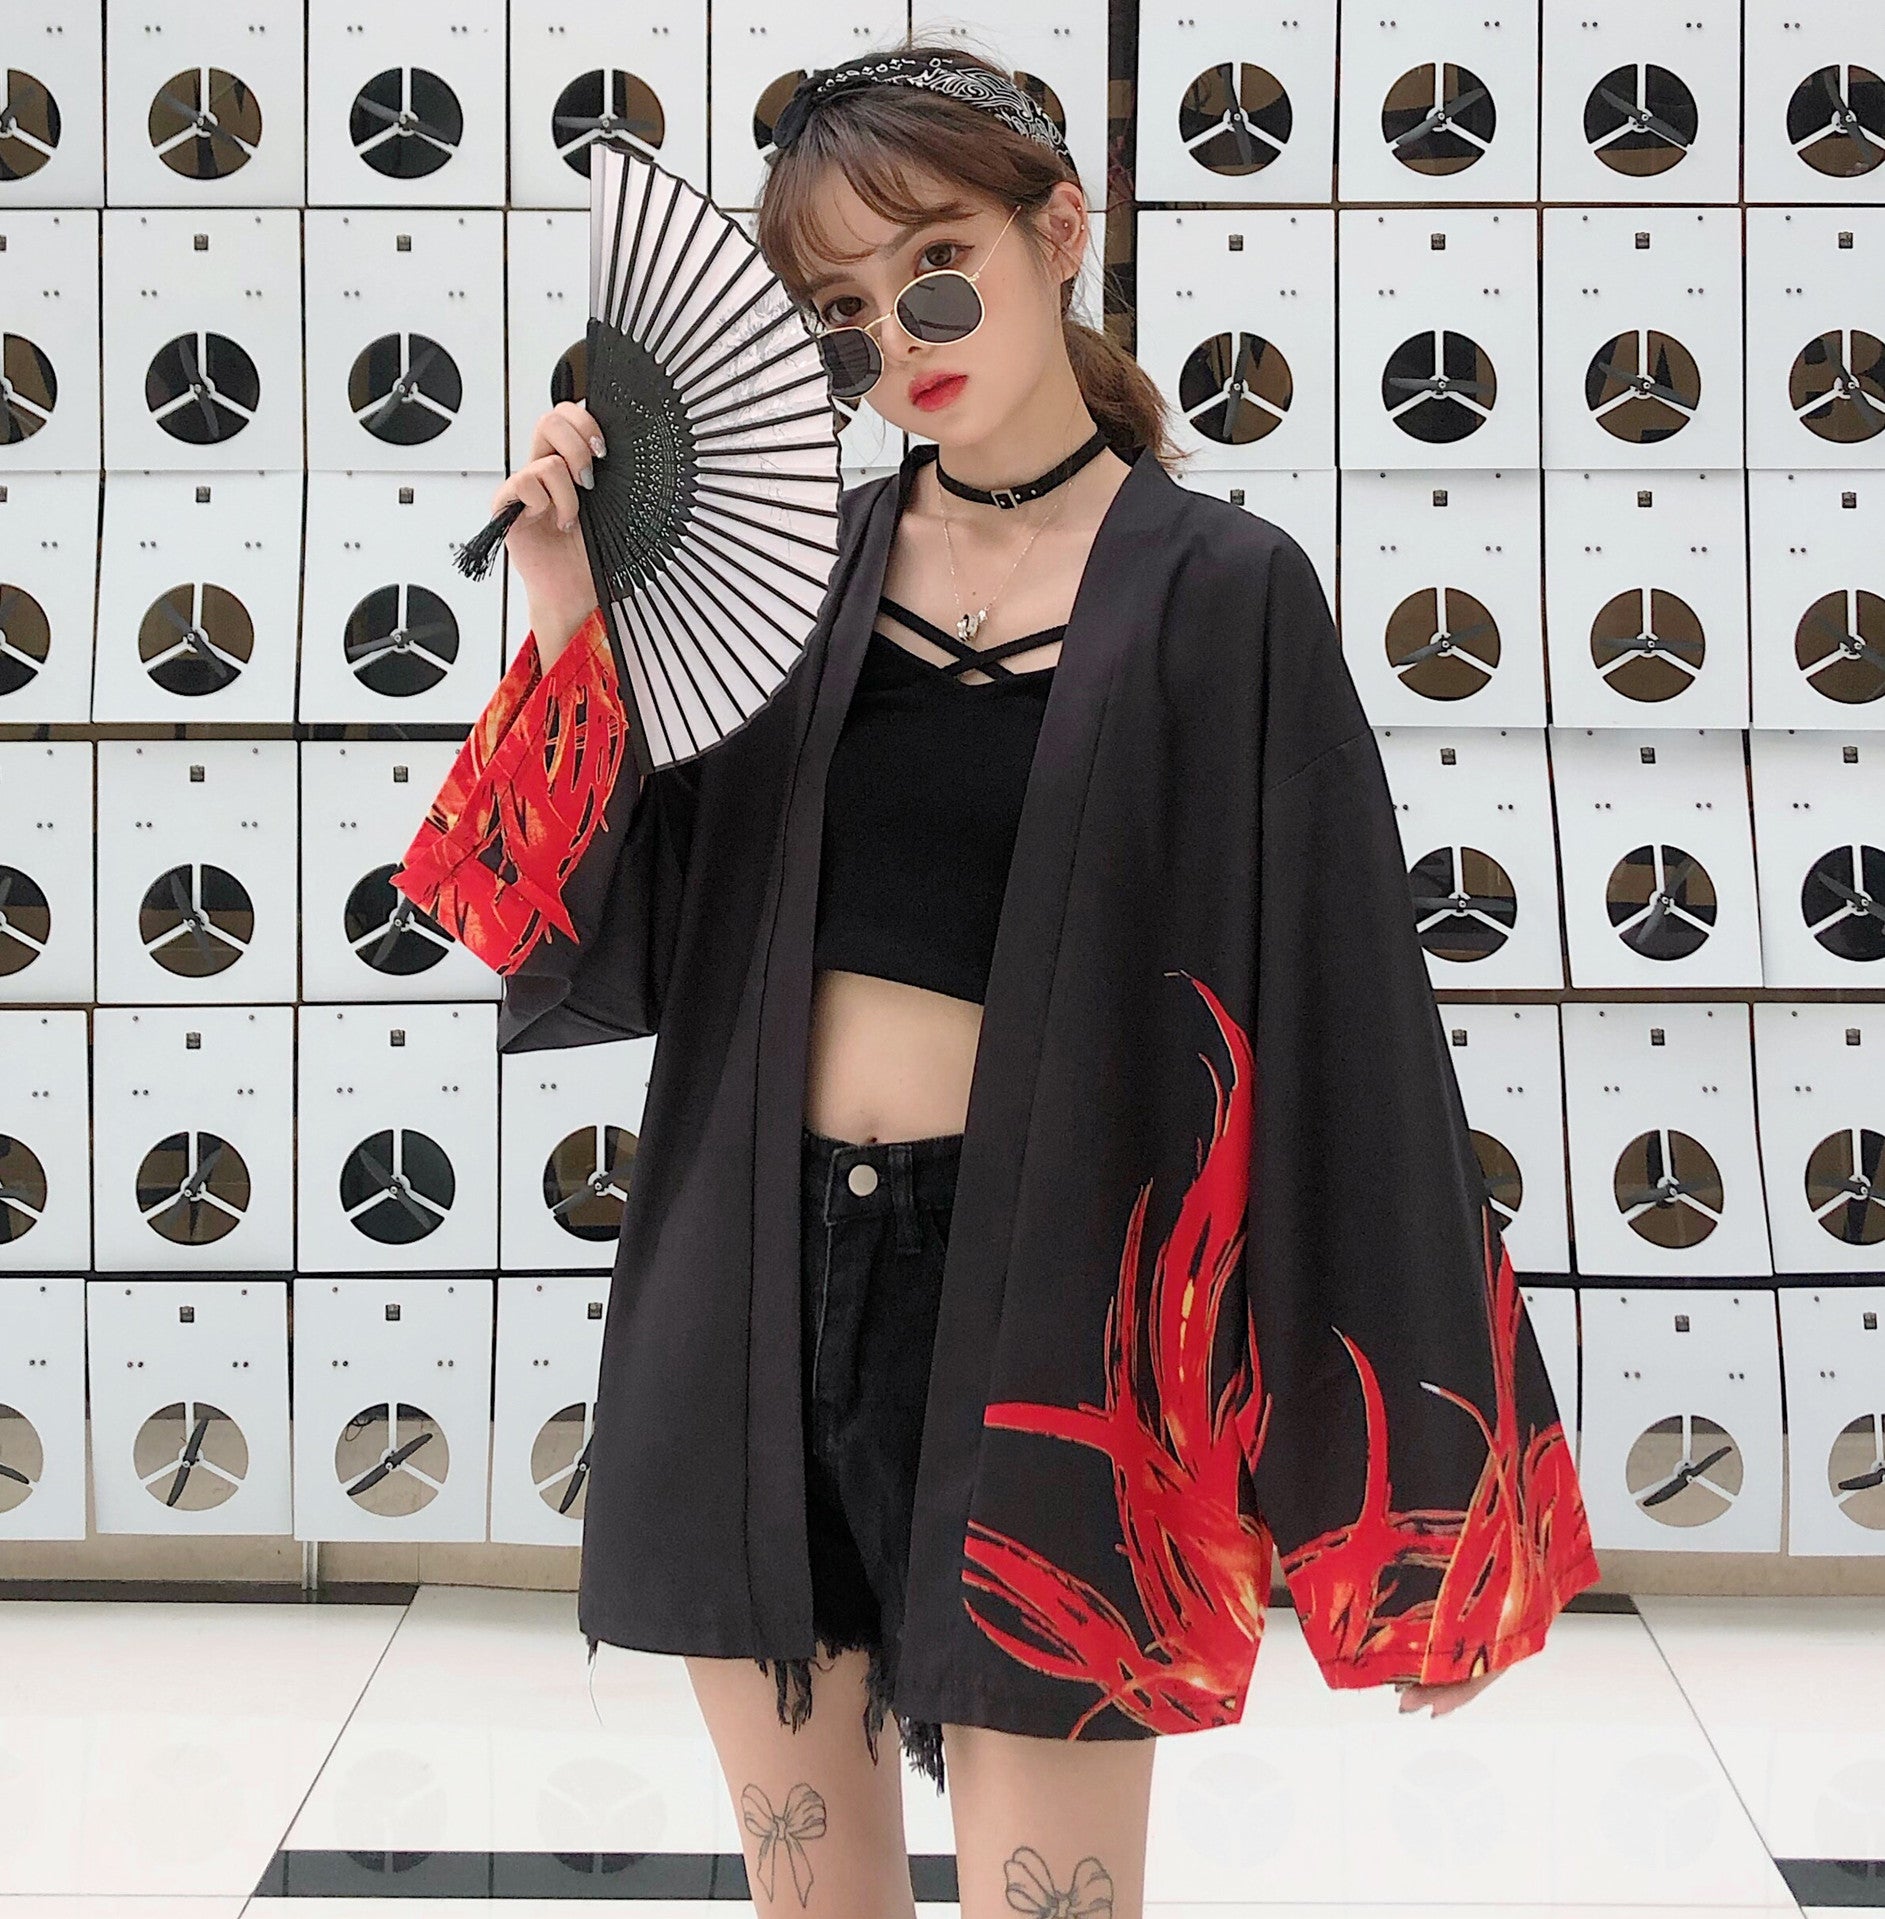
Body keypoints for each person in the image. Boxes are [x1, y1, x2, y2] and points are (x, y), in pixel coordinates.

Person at [390, 40, 1602, 1919]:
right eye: (843, 311)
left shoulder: (1220, 590)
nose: (901, 337)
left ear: (1058, 233)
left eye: (937, 267)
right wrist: (572, 604)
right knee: (813, 1900)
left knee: (1057, 1902)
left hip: (1068, 1318)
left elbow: (1346, 1016)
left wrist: (1429, 1508)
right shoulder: (787, 577)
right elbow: (550, 911)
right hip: (757, 1278)